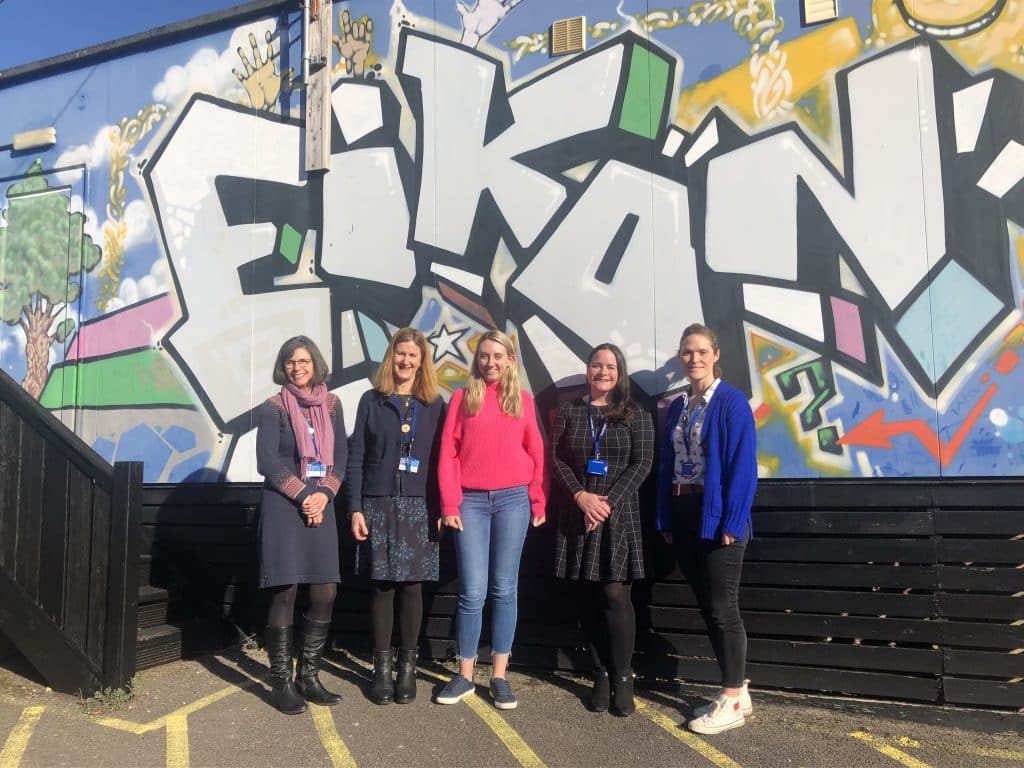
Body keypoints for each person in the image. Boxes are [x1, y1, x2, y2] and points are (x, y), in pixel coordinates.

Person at [434, 330, 546, 710]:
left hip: (514, 500)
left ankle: (499, 676)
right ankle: (465, 675)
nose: (491, 362)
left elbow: (536, 451)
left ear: (510, 360)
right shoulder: (462, 399)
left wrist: (537, 499)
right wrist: (450, 504)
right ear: (476, 360)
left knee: (504, 589)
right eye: (484, 356)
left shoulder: (523, 401)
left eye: (498, 356)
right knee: (472, 592)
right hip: (470, 503)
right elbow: (448, 452)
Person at [655, 323, 757, 735]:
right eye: (686, 352)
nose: (693, 359)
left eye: (700, 351)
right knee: (708, 607)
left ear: (716, 354)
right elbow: (668, 465)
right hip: (683, 513)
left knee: (722, 609)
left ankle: (731, 697)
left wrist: (732, 520)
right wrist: (664, 517)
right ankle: (738, 691)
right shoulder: (679, 406)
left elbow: (743, 467)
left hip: (717, 518)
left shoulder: (732, 403)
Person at [551, 343, 654, 716]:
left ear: (619, 371)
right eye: (597, 365)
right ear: (588, 369)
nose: (603, 372)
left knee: (614, 596)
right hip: (578, 516)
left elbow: (643, 463)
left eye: (610, 366)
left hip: (618, 517)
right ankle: (600, 675)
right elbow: (557, 458)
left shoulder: (635, 414)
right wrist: (580, 496)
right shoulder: (570, 411)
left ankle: (623, 677)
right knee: (587, 598)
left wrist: (606, 502)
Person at [346, 328, 445, 705]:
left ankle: (407, 669)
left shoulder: (435, 403)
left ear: (422, 362)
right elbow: (356, 458)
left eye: (413, 356)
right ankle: (381, 670)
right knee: (382, 586)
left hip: (420, 505)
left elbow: (440, 462)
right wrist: (354, 506)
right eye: (400, 354)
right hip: (378, 503)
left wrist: (440, 508)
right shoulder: (372, 400)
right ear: (392, 358)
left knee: (412, 586)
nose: (405, 361)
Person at [256, 335, 347, 715]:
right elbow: (268, 462)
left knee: (325, 590)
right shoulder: (273, 407)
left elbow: (340, 456)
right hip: (283, 506)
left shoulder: (333, 404)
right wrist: (303, 495)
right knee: (285, 591)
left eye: (304, 360)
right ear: (283, 366)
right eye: (291, 362)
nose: (298, 367)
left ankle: (309, 675)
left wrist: (323, 495)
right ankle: (281, 680)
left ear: (316, 364)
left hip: (321, 505)